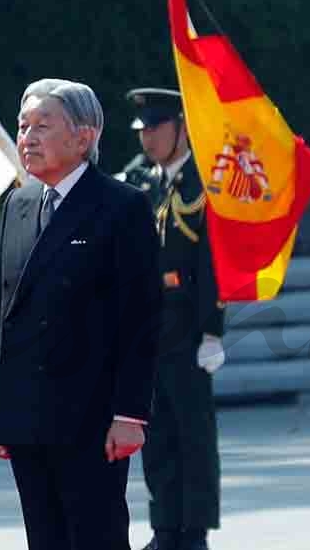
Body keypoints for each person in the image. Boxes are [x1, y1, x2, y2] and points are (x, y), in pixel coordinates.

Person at [0, 79, 160, 550]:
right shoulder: (20, 204)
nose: (29, 138)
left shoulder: (121, 207)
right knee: (44, 539)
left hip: (92, 417)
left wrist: (130, 414)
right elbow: (9, 316)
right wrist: (5, 412)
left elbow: (140, 319)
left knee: (96, 537)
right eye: (24, 126)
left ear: (85, 137)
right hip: (30, 416)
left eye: (43, 125)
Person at [117, 87, 223, 550]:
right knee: (155, 432)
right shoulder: (141, 180)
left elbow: (213, 260)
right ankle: (164, 528)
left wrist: (212, 331)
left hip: (187, 321)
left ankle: (193, 532)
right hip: (146, 325)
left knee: (192, 434)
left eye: (157, 129)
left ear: (181, 126)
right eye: (143, 131)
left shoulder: (205, 182)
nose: (148, 139)